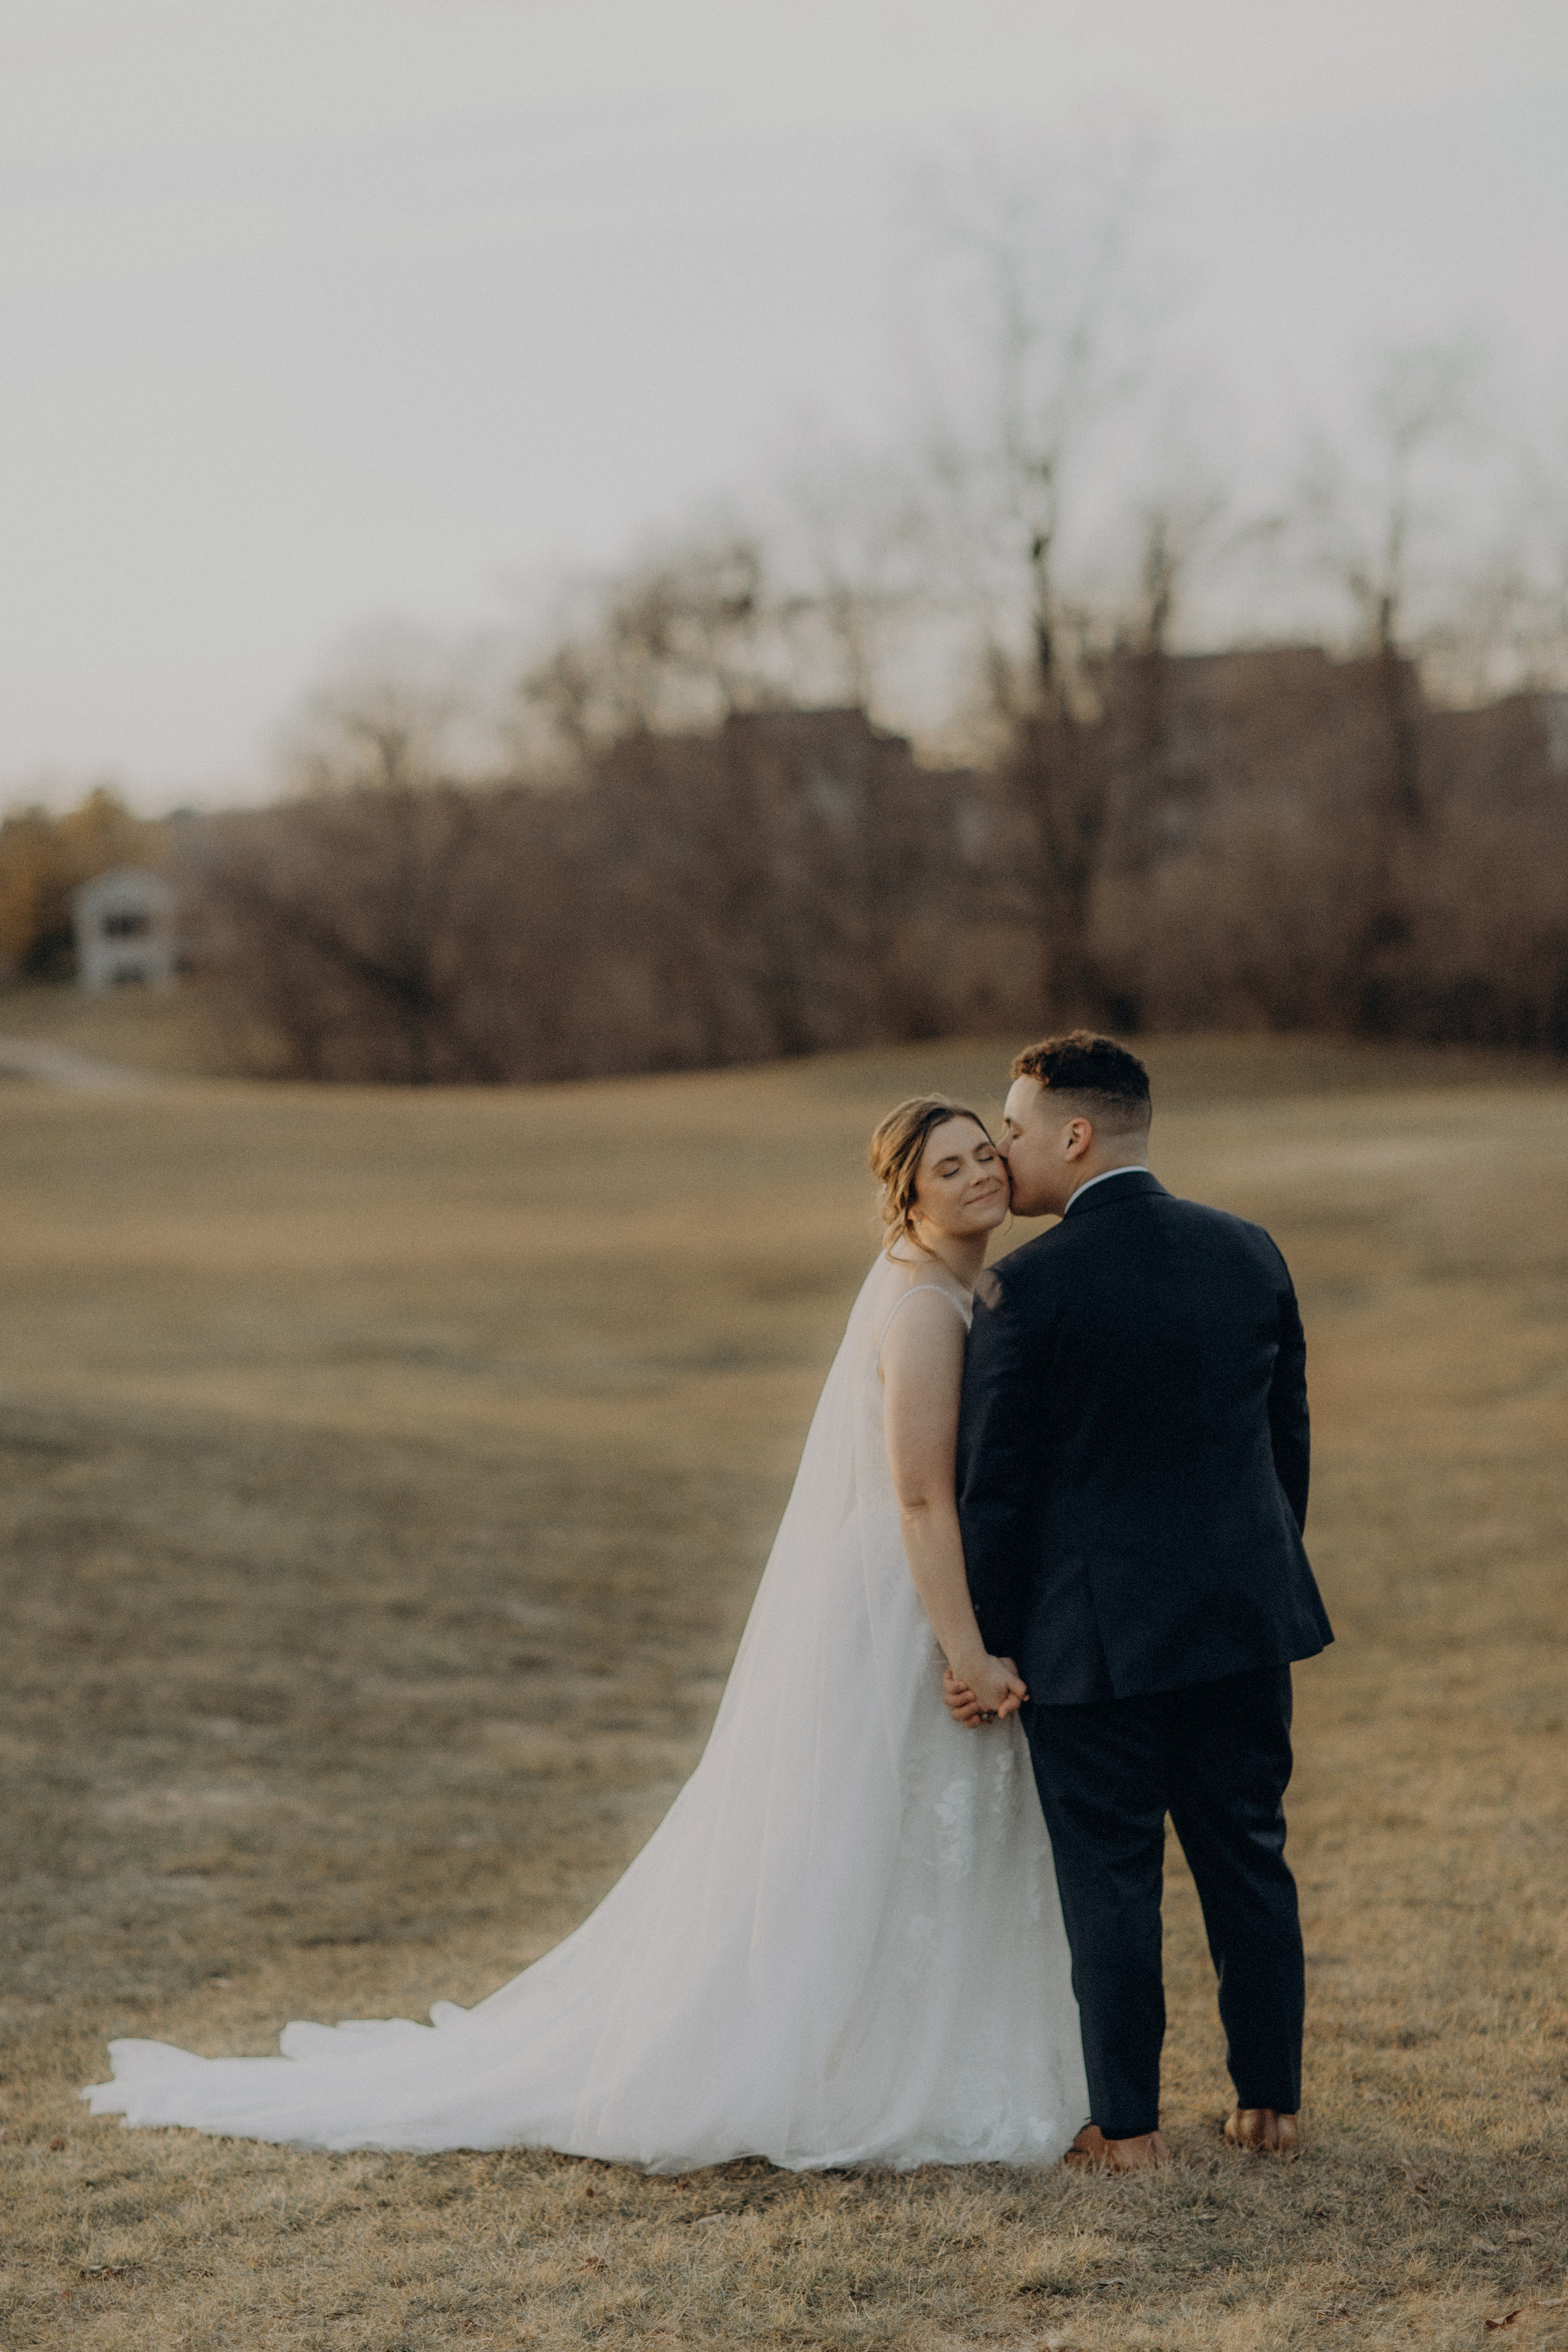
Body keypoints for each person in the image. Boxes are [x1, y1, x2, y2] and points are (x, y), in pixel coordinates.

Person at [83, 1098, 1088, 2170]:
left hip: (916, 1589)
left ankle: (903, 2049)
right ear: (909, 1192)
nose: (982, 1173)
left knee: (889, 1832)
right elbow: (920, 1501)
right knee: (873, 1828)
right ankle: (856, 2066)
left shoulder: (947, 1285)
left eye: (989, 1153)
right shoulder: (924, 1311)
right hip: (907, 1602)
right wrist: (965, 1648)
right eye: (951, 1165)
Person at [945, 1033, 1332, 2171]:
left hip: (1091, 1644)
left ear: (1075, 1135)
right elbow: (1285, 1446)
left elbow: (994, 1492)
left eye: (1013, 1130)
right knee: (1249, 1854)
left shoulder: (1030, 1283)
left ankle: (1128, 2128)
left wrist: (992, 1643)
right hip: (1242, 1622)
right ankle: (1271, 2104)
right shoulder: (1248, 1249)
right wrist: (1253, 1577)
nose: (1004, 1152)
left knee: (1111, 1876)